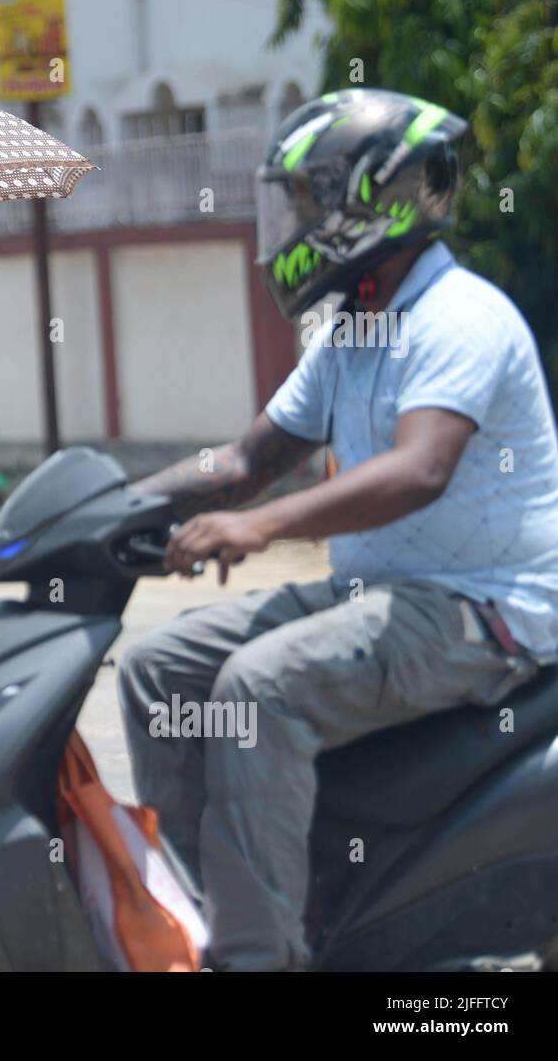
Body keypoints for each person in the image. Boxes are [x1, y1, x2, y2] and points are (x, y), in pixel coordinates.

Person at [118, 88, 558, 970]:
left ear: (373, 201)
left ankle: (258, 957)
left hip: (485, 610)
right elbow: (248, 461)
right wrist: (109, 510)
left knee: (258, 688)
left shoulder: (459, 317)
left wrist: (259, 530)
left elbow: (418, 469)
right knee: (156, 667)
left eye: (310, 200)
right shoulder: (355, 326)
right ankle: (198, 914)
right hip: (385, 596)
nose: (294, 222)